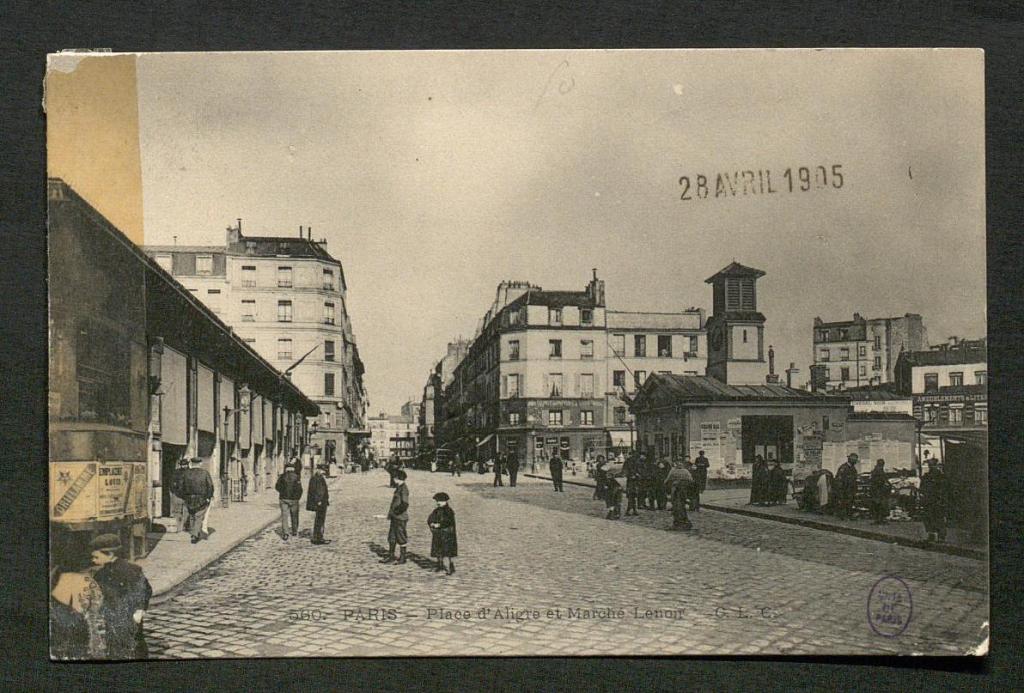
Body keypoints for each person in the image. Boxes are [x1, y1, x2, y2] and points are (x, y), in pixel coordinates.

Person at [89, 533, 152, 659]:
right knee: (113, 644)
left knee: (134, 644)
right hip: (111, 616)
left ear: (110, 555)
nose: (93, 560)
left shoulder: (131, 570)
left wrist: (140, 610)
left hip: (130, 615)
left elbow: (145, 589)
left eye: (96, 556)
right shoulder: (101, 574)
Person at [50, 557, 104, 659]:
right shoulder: (85, 579)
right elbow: (97, 599)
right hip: (77, 618)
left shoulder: (59, 576)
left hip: (63, 616)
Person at [179, 457, 214, 544]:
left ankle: (193, 533)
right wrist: (208, 497)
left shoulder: (186, 473)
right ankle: (194, 535)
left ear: (191, 464)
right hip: (201, 498)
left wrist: (184, 497)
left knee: (191, 516)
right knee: (198, 517)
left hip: (189, 498)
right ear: (200, 464)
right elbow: (210, 486)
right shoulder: (205, 473)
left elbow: (181, 486)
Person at [381, 469, 410, 564]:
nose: (393, 479)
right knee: (392, 537)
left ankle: (403, 558)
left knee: (401, 537)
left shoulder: (404, 489)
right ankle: (391, 556)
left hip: (400, 517)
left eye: (395, 477)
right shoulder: (398, 487)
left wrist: (397, 512)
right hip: (395, 517)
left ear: (399, 478)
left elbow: (405, 504)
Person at [427, 492, 458, 575]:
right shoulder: (436, 510)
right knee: (438, 550)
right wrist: (431, 523)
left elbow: (449, 522)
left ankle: (450, 567)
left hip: (448, 534)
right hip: (438, 534)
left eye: (440, 501)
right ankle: (439, 565)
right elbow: (430, 518)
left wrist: (439, 524)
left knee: (448, 551)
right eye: (437, 501)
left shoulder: (449, 511)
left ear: (445, 501)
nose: (438, 503)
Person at [919, 460, 948, 543]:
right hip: (928, 500)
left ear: (936, 466)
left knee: (938, 518)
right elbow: (922, 487)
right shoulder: (926, 476)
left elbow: (944, 489)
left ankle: (941, 536)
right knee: (928, 518)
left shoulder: (940, 477)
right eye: (930, 465)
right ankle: (931, 535)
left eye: (932, 465)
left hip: (937, 500)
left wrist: (942, 499)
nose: (931, 467)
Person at [275, 460, 303, 540]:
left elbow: (277, 486)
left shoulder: (282, 476)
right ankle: (294, 531)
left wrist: (282, 492)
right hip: (294, 499)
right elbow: (299, 489)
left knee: (284, 516)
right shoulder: (297, 477)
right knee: (294, 516)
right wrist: (297, 497)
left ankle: (285, 533)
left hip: (283, 499)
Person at [306, 462, 331, 545]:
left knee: (318, 520)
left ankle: (317, 536)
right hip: (320, 502)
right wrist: (319, 501)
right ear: (319, 470)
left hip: (319, 502)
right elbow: (319, 491)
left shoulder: (315, 477)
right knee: (320, 520)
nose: (324, 472)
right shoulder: (318, 478)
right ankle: (318, 538)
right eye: (323, 470)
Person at [667, 461, 694, 530]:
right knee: (682, 506)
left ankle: (678, 523)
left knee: (676, 507)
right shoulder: (686, 471)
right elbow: (691, 480)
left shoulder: (673, 471)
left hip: (676, 491)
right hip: (683, 492)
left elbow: (667, 481)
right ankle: (685, 522)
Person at [834, 453, 859, 519]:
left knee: (850, 502)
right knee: (843, 502)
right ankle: (842, 516)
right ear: (850, 459)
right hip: (844, 489)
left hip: (851, 489)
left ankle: (849, 515)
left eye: (856, 460)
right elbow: (839, 479)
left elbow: (854, 479)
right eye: (854, 459)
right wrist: (840, 490)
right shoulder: (844, 467)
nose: (855, 461)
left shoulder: (853, 468)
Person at [168, 457, 190, 533]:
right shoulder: (177, 472)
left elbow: (171, 483)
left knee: (184, 511)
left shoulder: (188, 472)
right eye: (183, 465)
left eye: (185, 465)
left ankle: (182, 526)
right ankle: (180, 526)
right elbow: (171, 482)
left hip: (183, 495)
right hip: (181, 495)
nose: (184, 466)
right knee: (179, 511)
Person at [869, 458, 892, 524]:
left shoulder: (876, 470)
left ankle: (879, 519)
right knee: (880, 505)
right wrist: (886, 484)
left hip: (877, 490)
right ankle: (879, 519)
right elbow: (880, 480)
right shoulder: (878, 471)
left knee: (878, 505)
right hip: (879, 491)